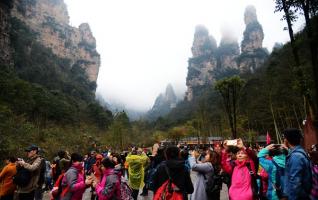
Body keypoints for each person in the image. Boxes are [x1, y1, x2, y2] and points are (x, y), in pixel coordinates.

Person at [282, 128, 312, 200]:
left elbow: (295, 183)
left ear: (286, 140)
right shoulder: (299, 153)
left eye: (284, 138)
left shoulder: (296, 157)